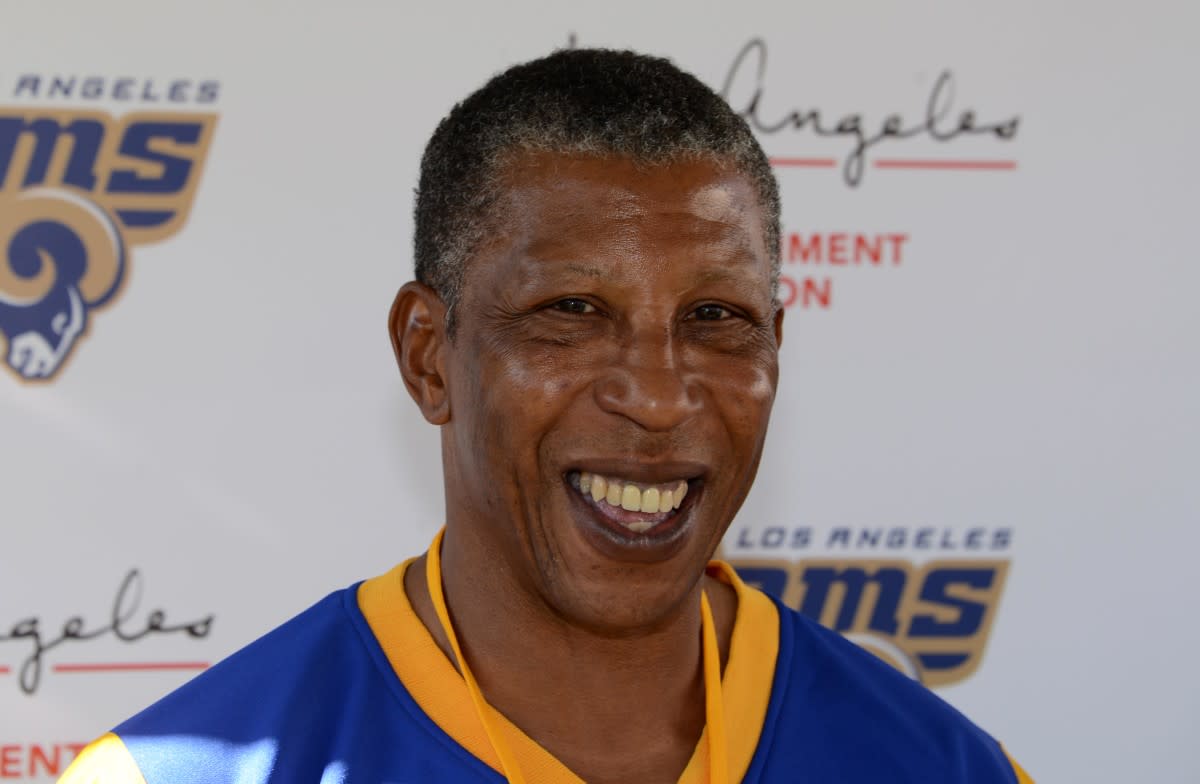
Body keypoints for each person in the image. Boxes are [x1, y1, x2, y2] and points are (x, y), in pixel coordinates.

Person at [61, 48, 1034, 784]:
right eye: (570, 312)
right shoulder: (171, 772)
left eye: (716, 318)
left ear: (777, 343)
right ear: (427, 353)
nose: (656, 396)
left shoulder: (942, 766)